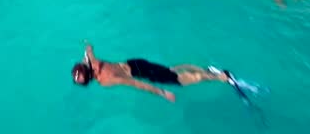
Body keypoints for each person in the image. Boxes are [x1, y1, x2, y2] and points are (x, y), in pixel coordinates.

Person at [71, 42, 233, 103]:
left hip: (140, 72)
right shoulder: (92, 61)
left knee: (180, 81)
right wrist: (87, 49)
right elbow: (89, 49)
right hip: (135, 62)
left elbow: (137, 84)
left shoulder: (106, 80)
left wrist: (162, 93)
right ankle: (204, 70)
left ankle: (220, 77)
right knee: (168, 71)